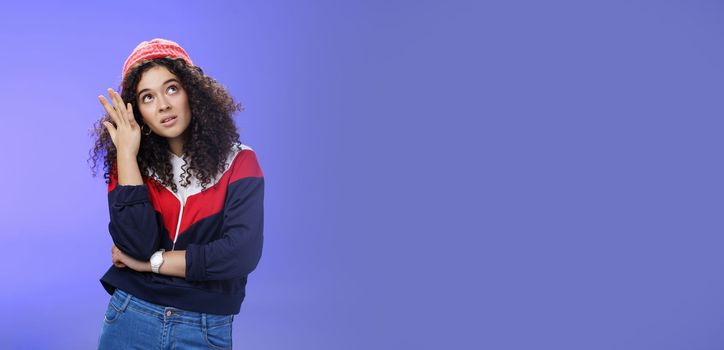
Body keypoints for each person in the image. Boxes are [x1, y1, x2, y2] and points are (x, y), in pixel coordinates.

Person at [88, 38, 264, 349]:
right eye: (147, 97)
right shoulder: (128, 164)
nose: (163, 105)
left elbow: (241, 254)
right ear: (137, 112)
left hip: (204, 325)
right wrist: (127, 155)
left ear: (192, 93)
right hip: (131, 315)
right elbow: (135, 244)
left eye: (172, 88)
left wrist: (149, 264)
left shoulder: (240, 162)